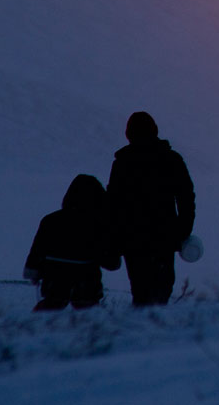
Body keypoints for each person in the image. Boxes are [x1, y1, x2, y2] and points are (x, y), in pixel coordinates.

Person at [107, 111, 196, 306]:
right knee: (161, 290)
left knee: (140, 291)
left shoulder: (122, 163)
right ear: (154, 131)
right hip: (163, 238)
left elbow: (112, 204)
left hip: (133, 239)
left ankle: (144, 329)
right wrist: (184, 229)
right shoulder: (171, 159)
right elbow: (186, 196)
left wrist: (114, 238)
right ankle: (155, 328)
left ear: (128, 134)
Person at [23, 174, 120, 311]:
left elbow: (37, 251)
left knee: (47, 314)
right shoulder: (99, 225)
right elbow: (111, 262)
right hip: (86, 288)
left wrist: (34, 271)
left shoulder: (50, 221)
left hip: (53, 285)